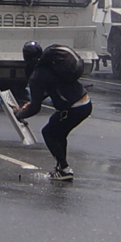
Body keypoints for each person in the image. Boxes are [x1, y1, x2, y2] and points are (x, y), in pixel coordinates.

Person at [13, 41, 93, 182]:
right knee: (58, 132)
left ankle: (64, 169)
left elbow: (35, 108)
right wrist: (32, 103)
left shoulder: (37, 75)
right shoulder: (53, 64)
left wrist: (19, 114)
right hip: (84, 103)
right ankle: (61, 169)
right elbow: (52, 88)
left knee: (49, 133)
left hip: (73, 108)